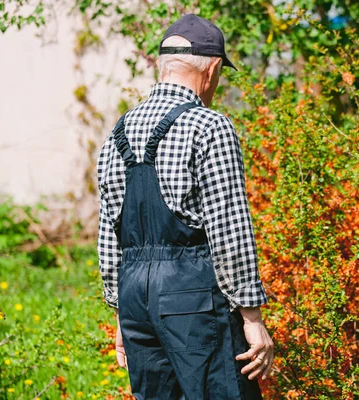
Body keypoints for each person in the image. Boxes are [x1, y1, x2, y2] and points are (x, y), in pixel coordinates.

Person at [96, 13, 273, 399]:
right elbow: (230, 231)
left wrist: (121, 315)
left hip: (135, 300)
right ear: (211, 70)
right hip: (190, 296)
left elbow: (109, 235)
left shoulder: (118, 132)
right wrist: (252, 317)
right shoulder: (209, 126)